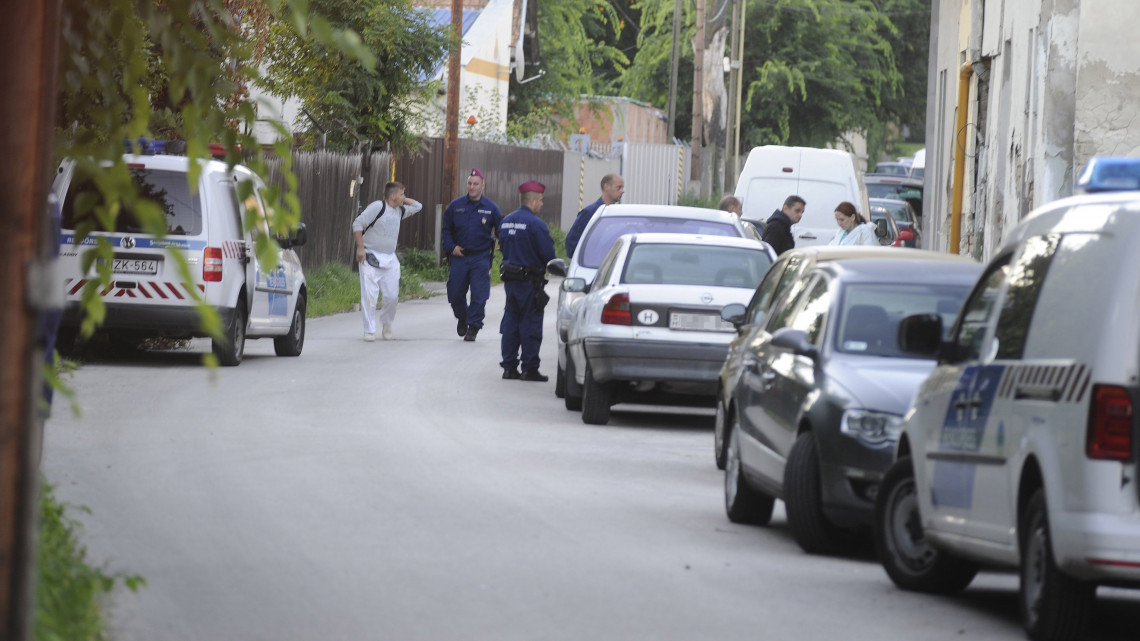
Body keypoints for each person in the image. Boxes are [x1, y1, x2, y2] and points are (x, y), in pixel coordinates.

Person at [499, 180, 557, 381]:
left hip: (510, 281)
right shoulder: (536, 225)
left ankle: (509, 367)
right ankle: (529, 368)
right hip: (530, 283)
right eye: (540, 201)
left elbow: (503, 248)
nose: (541, 205)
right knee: (530, 324)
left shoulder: (505, 221)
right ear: (532, 201)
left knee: (511, 323)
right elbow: (549, 255)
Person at [352, 182, 422, 341]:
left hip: (390, 258)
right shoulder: (378, 207)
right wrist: (360, 248)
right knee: (370, 296)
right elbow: (357, 224)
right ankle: (369, 330)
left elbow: (418, 206)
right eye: (402, 194)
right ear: (393, 196)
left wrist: (404, 199)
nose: (404, 198)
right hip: (370, 256)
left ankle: (387, 323)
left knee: (392, 297)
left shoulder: (400, 211)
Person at [442, 168, 503, 342]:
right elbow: (446, 229)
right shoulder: (456, 206)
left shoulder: (491, 208)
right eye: (469, 183)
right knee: (455, 294)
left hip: (481, 257)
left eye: (476, 184)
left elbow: (501, 229)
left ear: (483, 186)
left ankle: (474, 326)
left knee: (479, 294)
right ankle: (463, 317)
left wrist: (504, 245)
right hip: (459, 257)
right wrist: (451, 246)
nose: (472, 187)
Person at [564, 173, 625, 259]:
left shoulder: (617, 214)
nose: (622, 191)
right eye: (619, 187)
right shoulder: (590, 213)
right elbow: (572, 241)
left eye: (622, 188)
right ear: (606, 186)